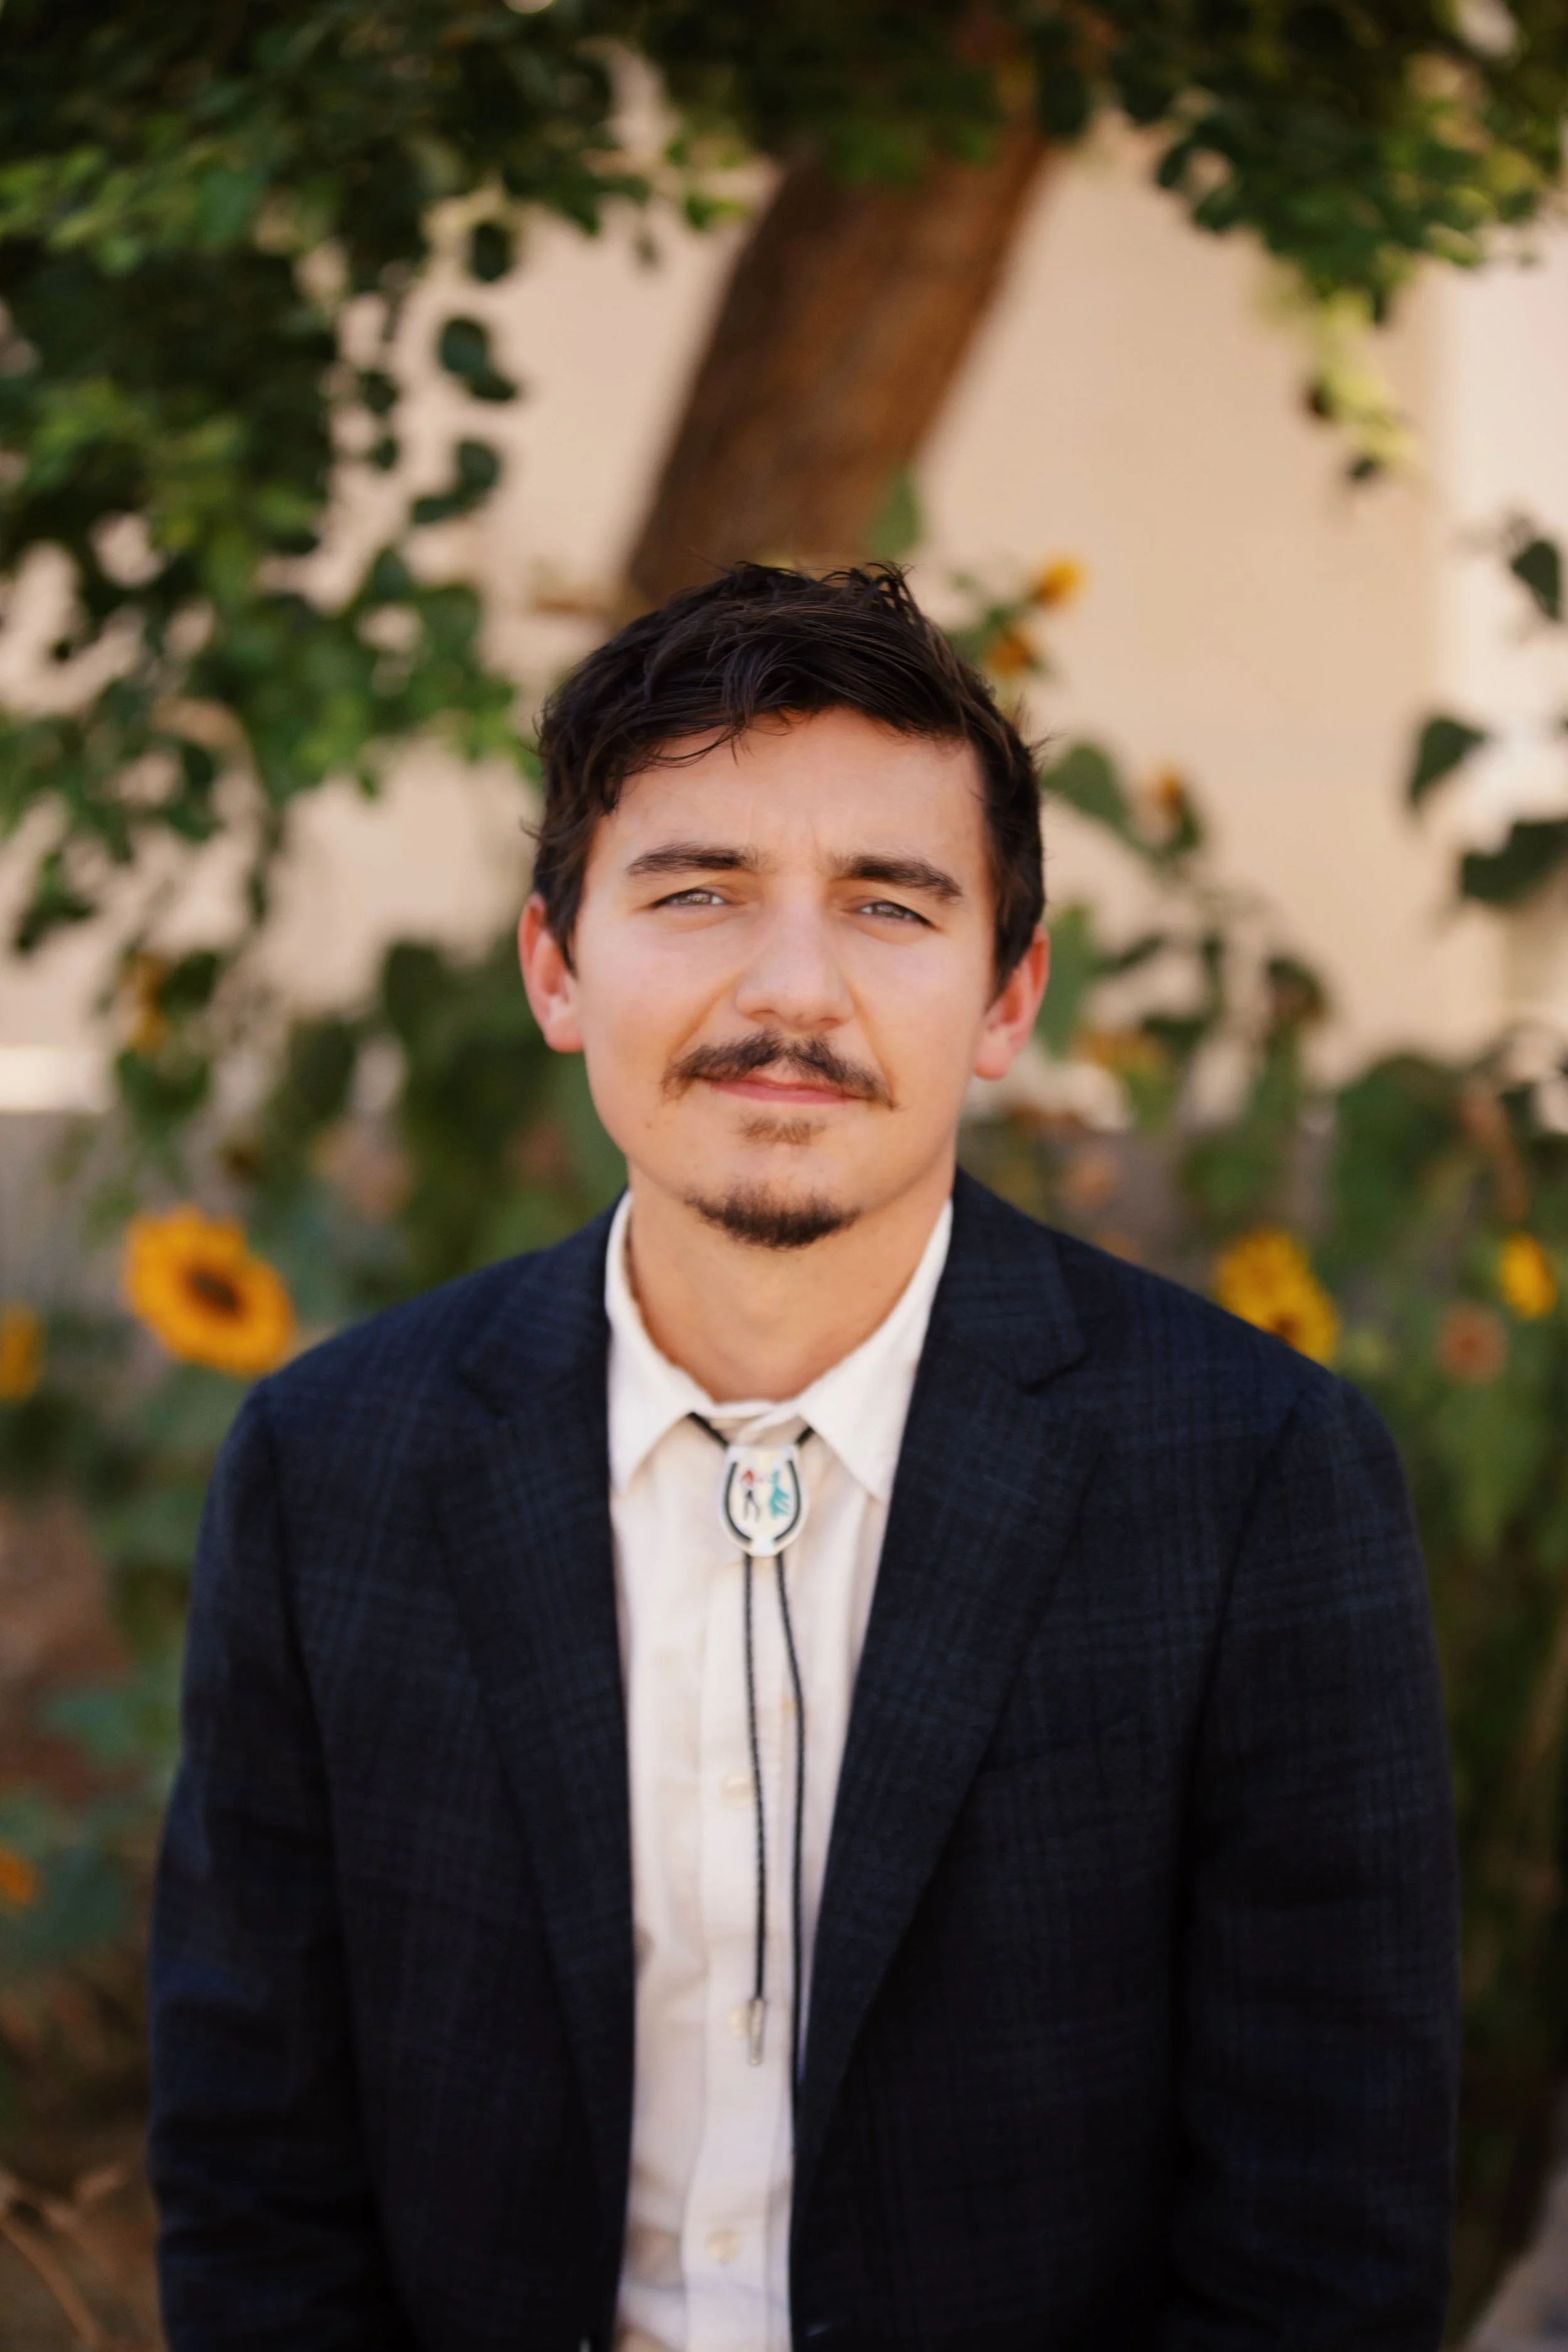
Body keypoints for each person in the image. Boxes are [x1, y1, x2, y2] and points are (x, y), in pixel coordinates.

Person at [149, 563, 1459, 2352]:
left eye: (887, 905)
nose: (791, 989)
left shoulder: (1253, 1478)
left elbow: (1324, 2232)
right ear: (555, 966)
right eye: (696, 892)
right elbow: (252, 2177)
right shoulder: (331, 1466)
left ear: (1007, 998)